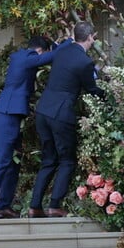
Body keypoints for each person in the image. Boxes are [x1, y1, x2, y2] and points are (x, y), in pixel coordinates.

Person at [0, 34, 72, 219]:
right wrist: (71, 42)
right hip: (7, 113)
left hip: (12, 114)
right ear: (39, 50)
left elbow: (49, 55)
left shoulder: (22, 57)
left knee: (13, 162)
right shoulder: (27, 57)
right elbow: (51, 57)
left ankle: (4, 205)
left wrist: (56, 43)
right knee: (3, 160)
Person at [28, 21, 104, 218]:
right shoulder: (85, 62)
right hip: (61, 115)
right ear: (90, 37)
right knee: (67, 161)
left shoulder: (62, 51)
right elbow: (92, 90)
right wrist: (110, 94)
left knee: (48, 160)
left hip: (43, 110)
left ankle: (35, 206)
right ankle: (54, 205)